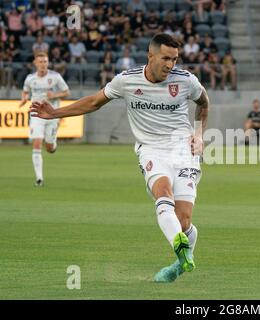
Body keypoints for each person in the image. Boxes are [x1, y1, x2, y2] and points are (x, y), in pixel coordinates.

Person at [30, 33, 210, 283]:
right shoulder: (127, 80)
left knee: (184, 220)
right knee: (163, 191)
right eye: (166, 58)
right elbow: (94, 102)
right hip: (151, 149)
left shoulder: (186, 81)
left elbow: (204, 102)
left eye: (175, 59)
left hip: (183, 150)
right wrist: (55, 113)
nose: (171, 65)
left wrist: (199, 134)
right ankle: (177, 244)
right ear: (151, 56)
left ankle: (180, 260)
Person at [19, 51, 70, 186]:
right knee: (36, 143)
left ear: (48, 63)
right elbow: (25, 91)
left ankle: (53, 143)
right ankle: (39, 179)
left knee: (49, 148)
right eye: (40, 62)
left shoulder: (55, 77)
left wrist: (54, 95)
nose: (43, 64)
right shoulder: (30, 78)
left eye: (45, 62)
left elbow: (66, 92)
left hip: (52, 114)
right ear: (35, 63)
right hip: (36, 114)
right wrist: (24, 99)